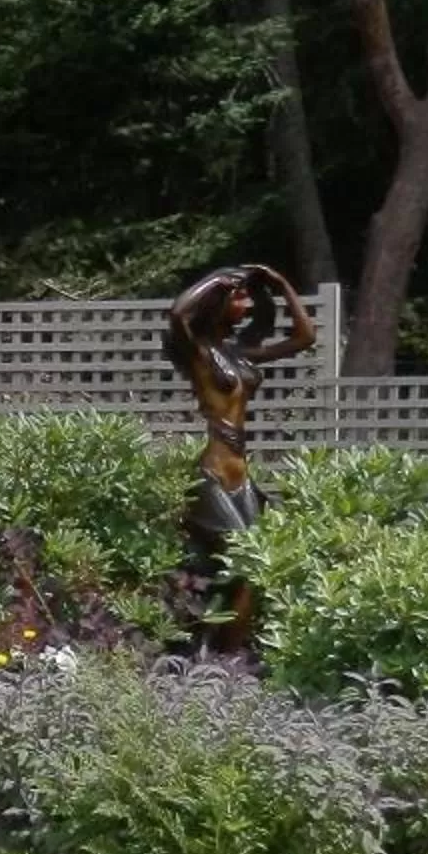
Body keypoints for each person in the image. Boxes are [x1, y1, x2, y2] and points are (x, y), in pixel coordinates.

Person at [163, 264, 316, 651]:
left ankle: (228, 655)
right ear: (219, 302)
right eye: (239, 298)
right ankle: (217, 652)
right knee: (243, 562)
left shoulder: (238, 353)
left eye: (249, 297)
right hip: (212, 474)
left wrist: (280, 282)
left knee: (254, 567)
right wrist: (218, 279)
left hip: (241, 478)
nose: (247, 305)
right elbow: (178, 313)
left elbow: (304, 337)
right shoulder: (200, 355)